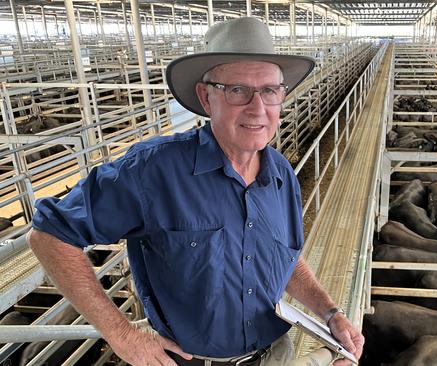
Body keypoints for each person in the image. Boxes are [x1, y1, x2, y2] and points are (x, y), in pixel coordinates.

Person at [27, 18, 364, 366]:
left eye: (270, 90)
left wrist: (330, 313)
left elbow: (285, 261)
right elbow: (51, 234)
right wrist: (121, 335)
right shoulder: (153, 170)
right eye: (237, 90)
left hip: (275, 354)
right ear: (206, 97)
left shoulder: (281, 175)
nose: (258, 107)